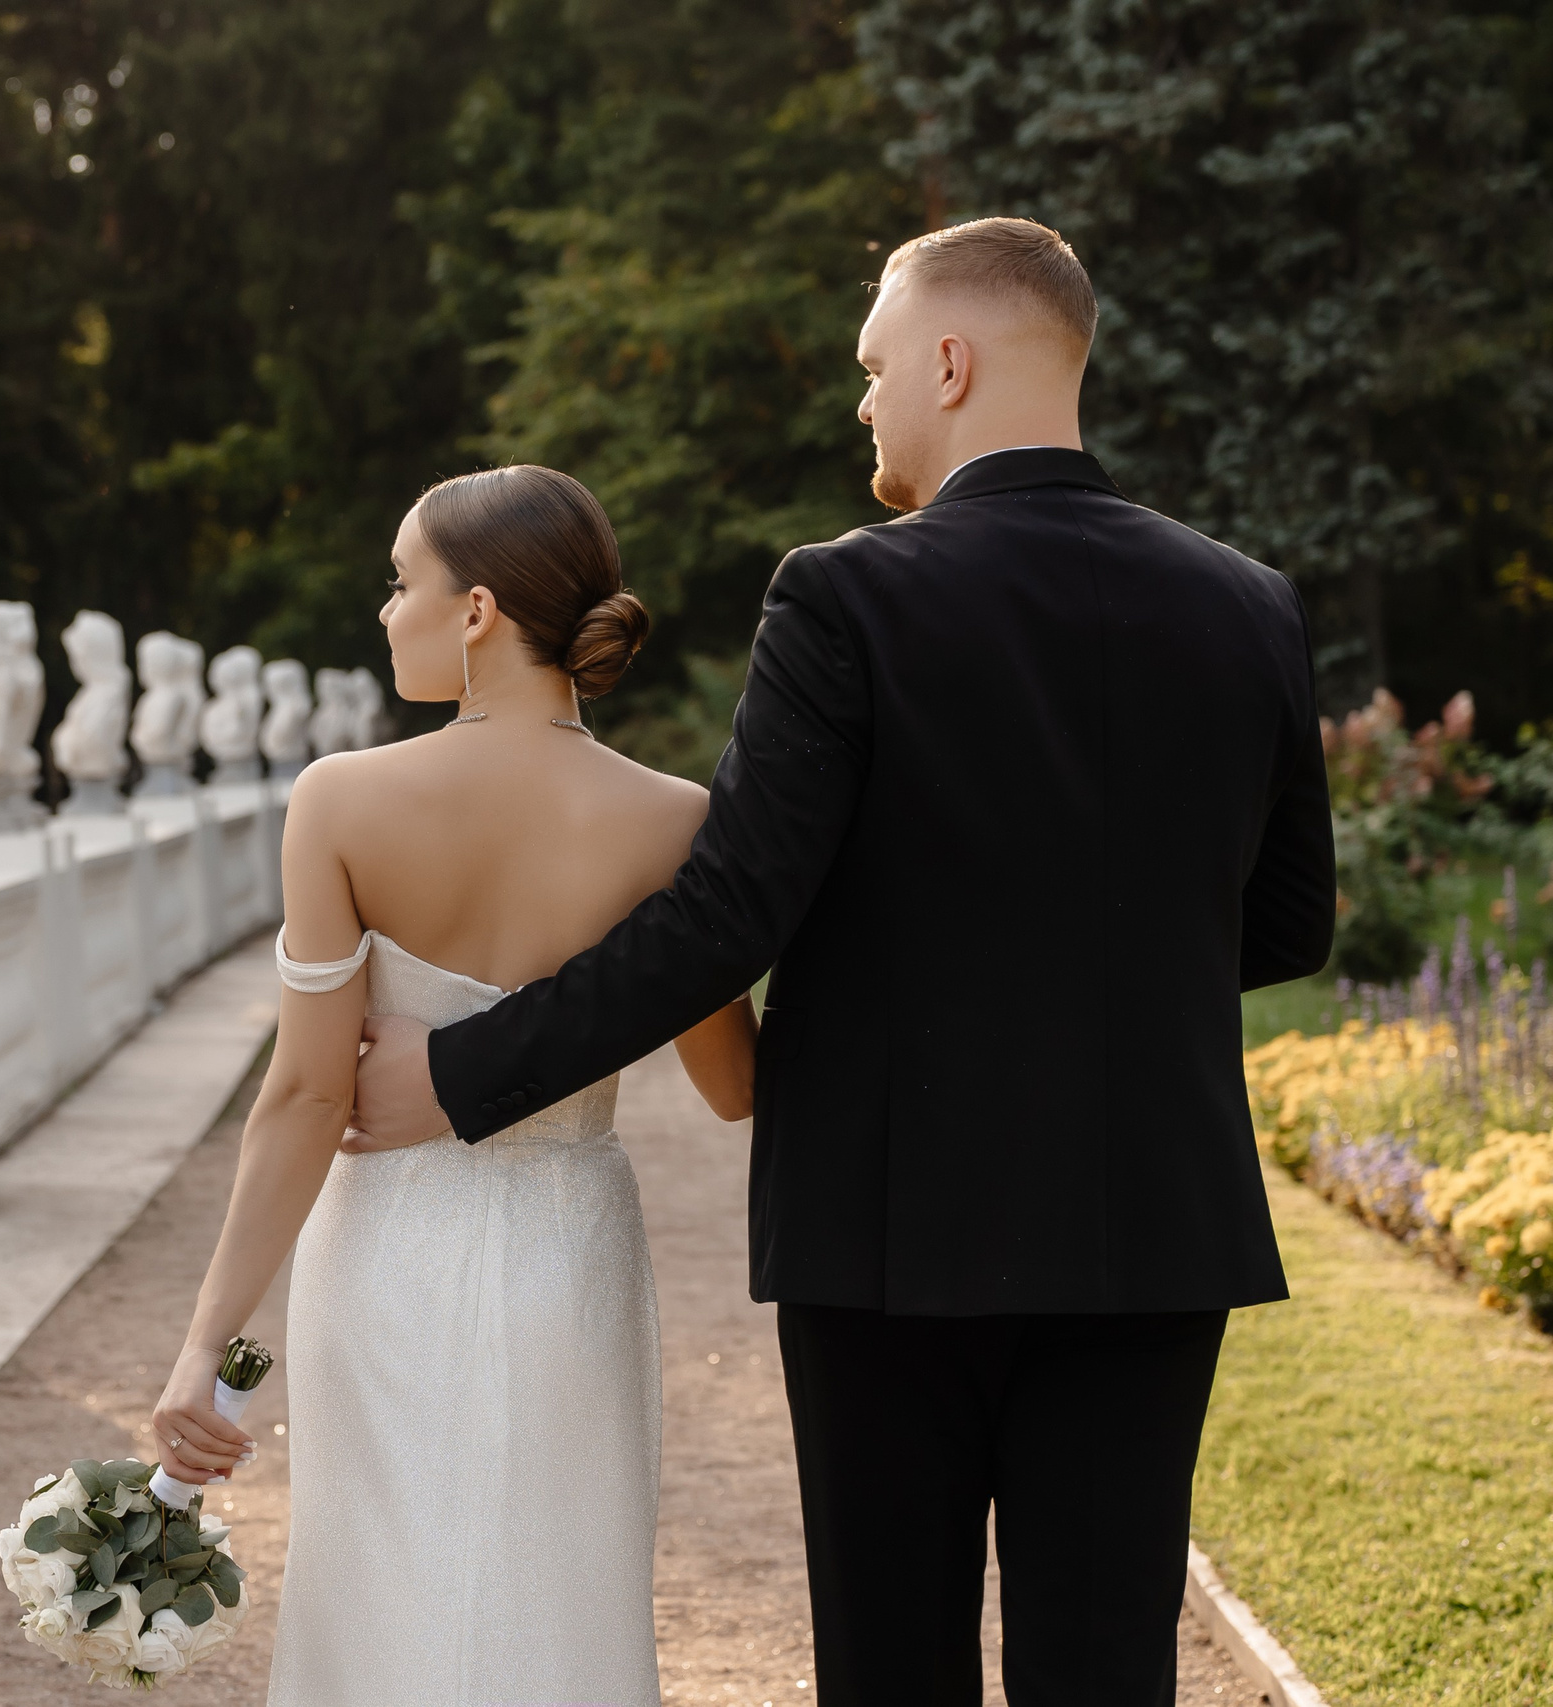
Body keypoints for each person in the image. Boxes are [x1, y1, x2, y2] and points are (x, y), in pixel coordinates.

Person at [348, 218, 1335, 1704]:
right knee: (1107, 1665)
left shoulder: (845, 595)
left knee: (892, 1666)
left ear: (951, 358)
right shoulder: (1249, 601)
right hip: (1148, 1224)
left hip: (889, 1230)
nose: (862, 401)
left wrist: (457, 1073)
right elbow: (1286, 926)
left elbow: (722, 919)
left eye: (875, 366)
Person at [147, 465, 758, 1707]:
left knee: (375, 1598)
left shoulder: (342, 801)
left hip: (380, 1258)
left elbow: (305, 1100)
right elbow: (735, 1088)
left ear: (475, 611)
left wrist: (205, 1345)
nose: (384, 610)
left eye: (398, 582)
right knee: (562, 1595)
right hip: (572, 1255)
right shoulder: (676, 819)